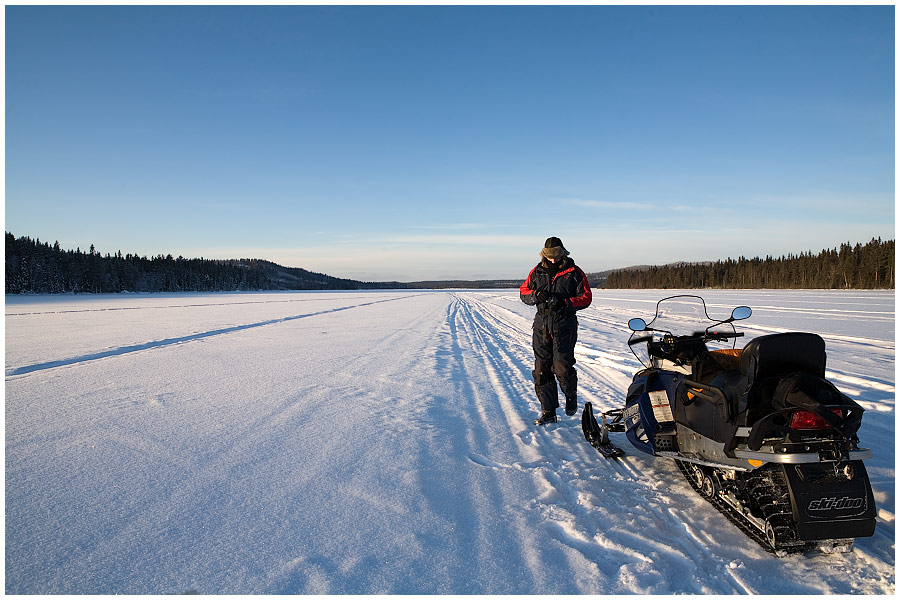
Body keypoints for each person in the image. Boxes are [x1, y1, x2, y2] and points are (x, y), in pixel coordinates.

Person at [519, 237, 592, 425]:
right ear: (544, 255)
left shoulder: (574, 272)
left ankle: (570, 396)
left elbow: (586, 297)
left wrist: (565, 303)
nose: (553, 260)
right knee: (542, 368)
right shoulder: (537, 272)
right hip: (541, 324)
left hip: (564, 324)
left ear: (563, 253)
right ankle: (548, 411)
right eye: (550, 256)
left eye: (556, 256)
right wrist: (536, 295)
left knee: (561, 365)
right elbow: (523, 292)